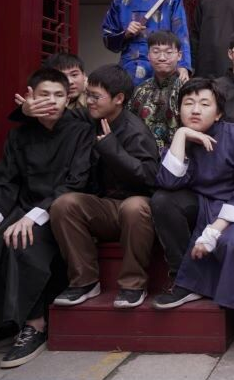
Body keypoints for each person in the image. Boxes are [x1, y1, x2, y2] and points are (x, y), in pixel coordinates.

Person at [0, 68, 94, 369]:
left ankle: (35, 325)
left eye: (59, 95)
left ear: (68, 99)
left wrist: (32, 217)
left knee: (23, 242)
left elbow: (76, 181)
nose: (52, 101)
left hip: (55, 211)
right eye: (44, 94)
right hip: (19, 208)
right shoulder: (20, 135)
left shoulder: (80, 131)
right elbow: (4, 180)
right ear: (30, 97)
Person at [152, 79, 234, 317]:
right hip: (202, 205)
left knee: (233, 244)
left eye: (204, 104)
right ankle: (182, 279)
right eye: (188, 103)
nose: (195, 110)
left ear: (218, 113)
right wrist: (182, 134)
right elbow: (168, 182)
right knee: (162, 200)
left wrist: (214, 230)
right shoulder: (181, 138)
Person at [50, 65, 159, 310]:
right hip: (104, 207)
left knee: (134, 207)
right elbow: (63, 117)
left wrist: (112, 149)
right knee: (64, 204)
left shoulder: (135, 130)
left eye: (95, 96)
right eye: (87, 95)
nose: (89, 101)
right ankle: (85, 281)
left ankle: (133, 285)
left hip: (136, 208)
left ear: (118, 99)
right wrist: (29, 109)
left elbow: (150, 177)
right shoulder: (93, 118)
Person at [128, 30, 184, 156]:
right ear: (148, 55)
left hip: (176, 158)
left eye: (169, 52)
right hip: (142, 158)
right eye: (156, 52)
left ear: (179, 55)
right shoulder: (140, 90)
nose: (162, 58)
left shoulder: (186, 90)